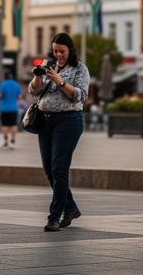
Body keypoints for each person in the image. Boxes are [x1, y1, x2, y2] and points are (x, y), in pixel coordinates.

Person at [29, 32, 90, 232]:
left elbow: (80, 95)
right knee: (49, 170)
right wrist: (38, 77)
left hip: (68, 121)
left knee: (59, 168)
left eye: (62, 51)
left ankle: (55, 215)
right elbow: (34, 91)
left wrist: (59, 81)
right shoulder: (49, 64)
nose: (58, 55)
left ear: (70, 50)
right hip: (45, 121)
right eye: (55, 51)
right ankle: (70, 207)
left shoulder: (79, 68)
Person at [0, 72, 23, 149]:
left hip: (4, 108)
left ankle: (6, 141)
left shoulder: (3, 84)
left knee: (4, 125)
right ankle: (13, 140)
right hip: (14, 108)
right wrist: (17, 104)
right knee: (13, 124)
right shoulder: (16, 84)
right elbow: (20, 97)